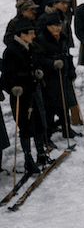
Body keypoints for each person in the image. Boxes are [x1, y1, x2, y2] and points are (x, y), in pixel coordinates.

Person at [0, 17, 50, 173]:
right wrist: (12, 88)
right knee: (26, 127)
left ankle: (41, 153)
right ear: (22, 34)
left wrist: (38, 71)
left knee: (39, 123)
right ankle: (28, 159)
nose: (34, 36)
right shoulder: (11, 51)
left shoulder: (30, 47)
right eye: (31, 33)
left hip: (33, 91)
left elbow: (34, 64)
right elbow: (5, 77)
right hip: (21, 96)